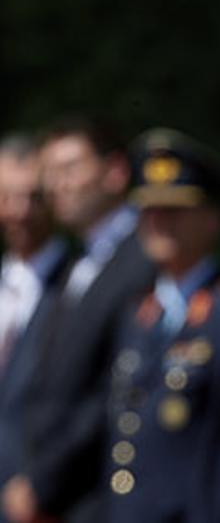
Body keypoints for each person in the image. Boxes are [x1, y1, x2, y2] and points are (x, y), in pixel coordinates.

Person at [102, 128, 220, 522]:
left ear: (211, 218)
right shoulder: (137, 313)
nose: (159, 223)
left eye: (175, 210)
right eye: (149, 211)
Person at [2, 118, 156, 523]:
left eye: (70, 168)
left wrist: (42, 482)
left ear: (115, 172)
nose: (57, 185)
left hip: (97, 496)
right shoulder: (80, 263)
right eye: (50, 173)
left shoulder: (142, 260)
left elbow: (112, 389)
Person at [0, 134, 71, 519]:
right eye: (6, 197)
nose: (19, 211)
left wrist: (42, 483)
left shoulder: (76, 289)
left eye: (32, 197)